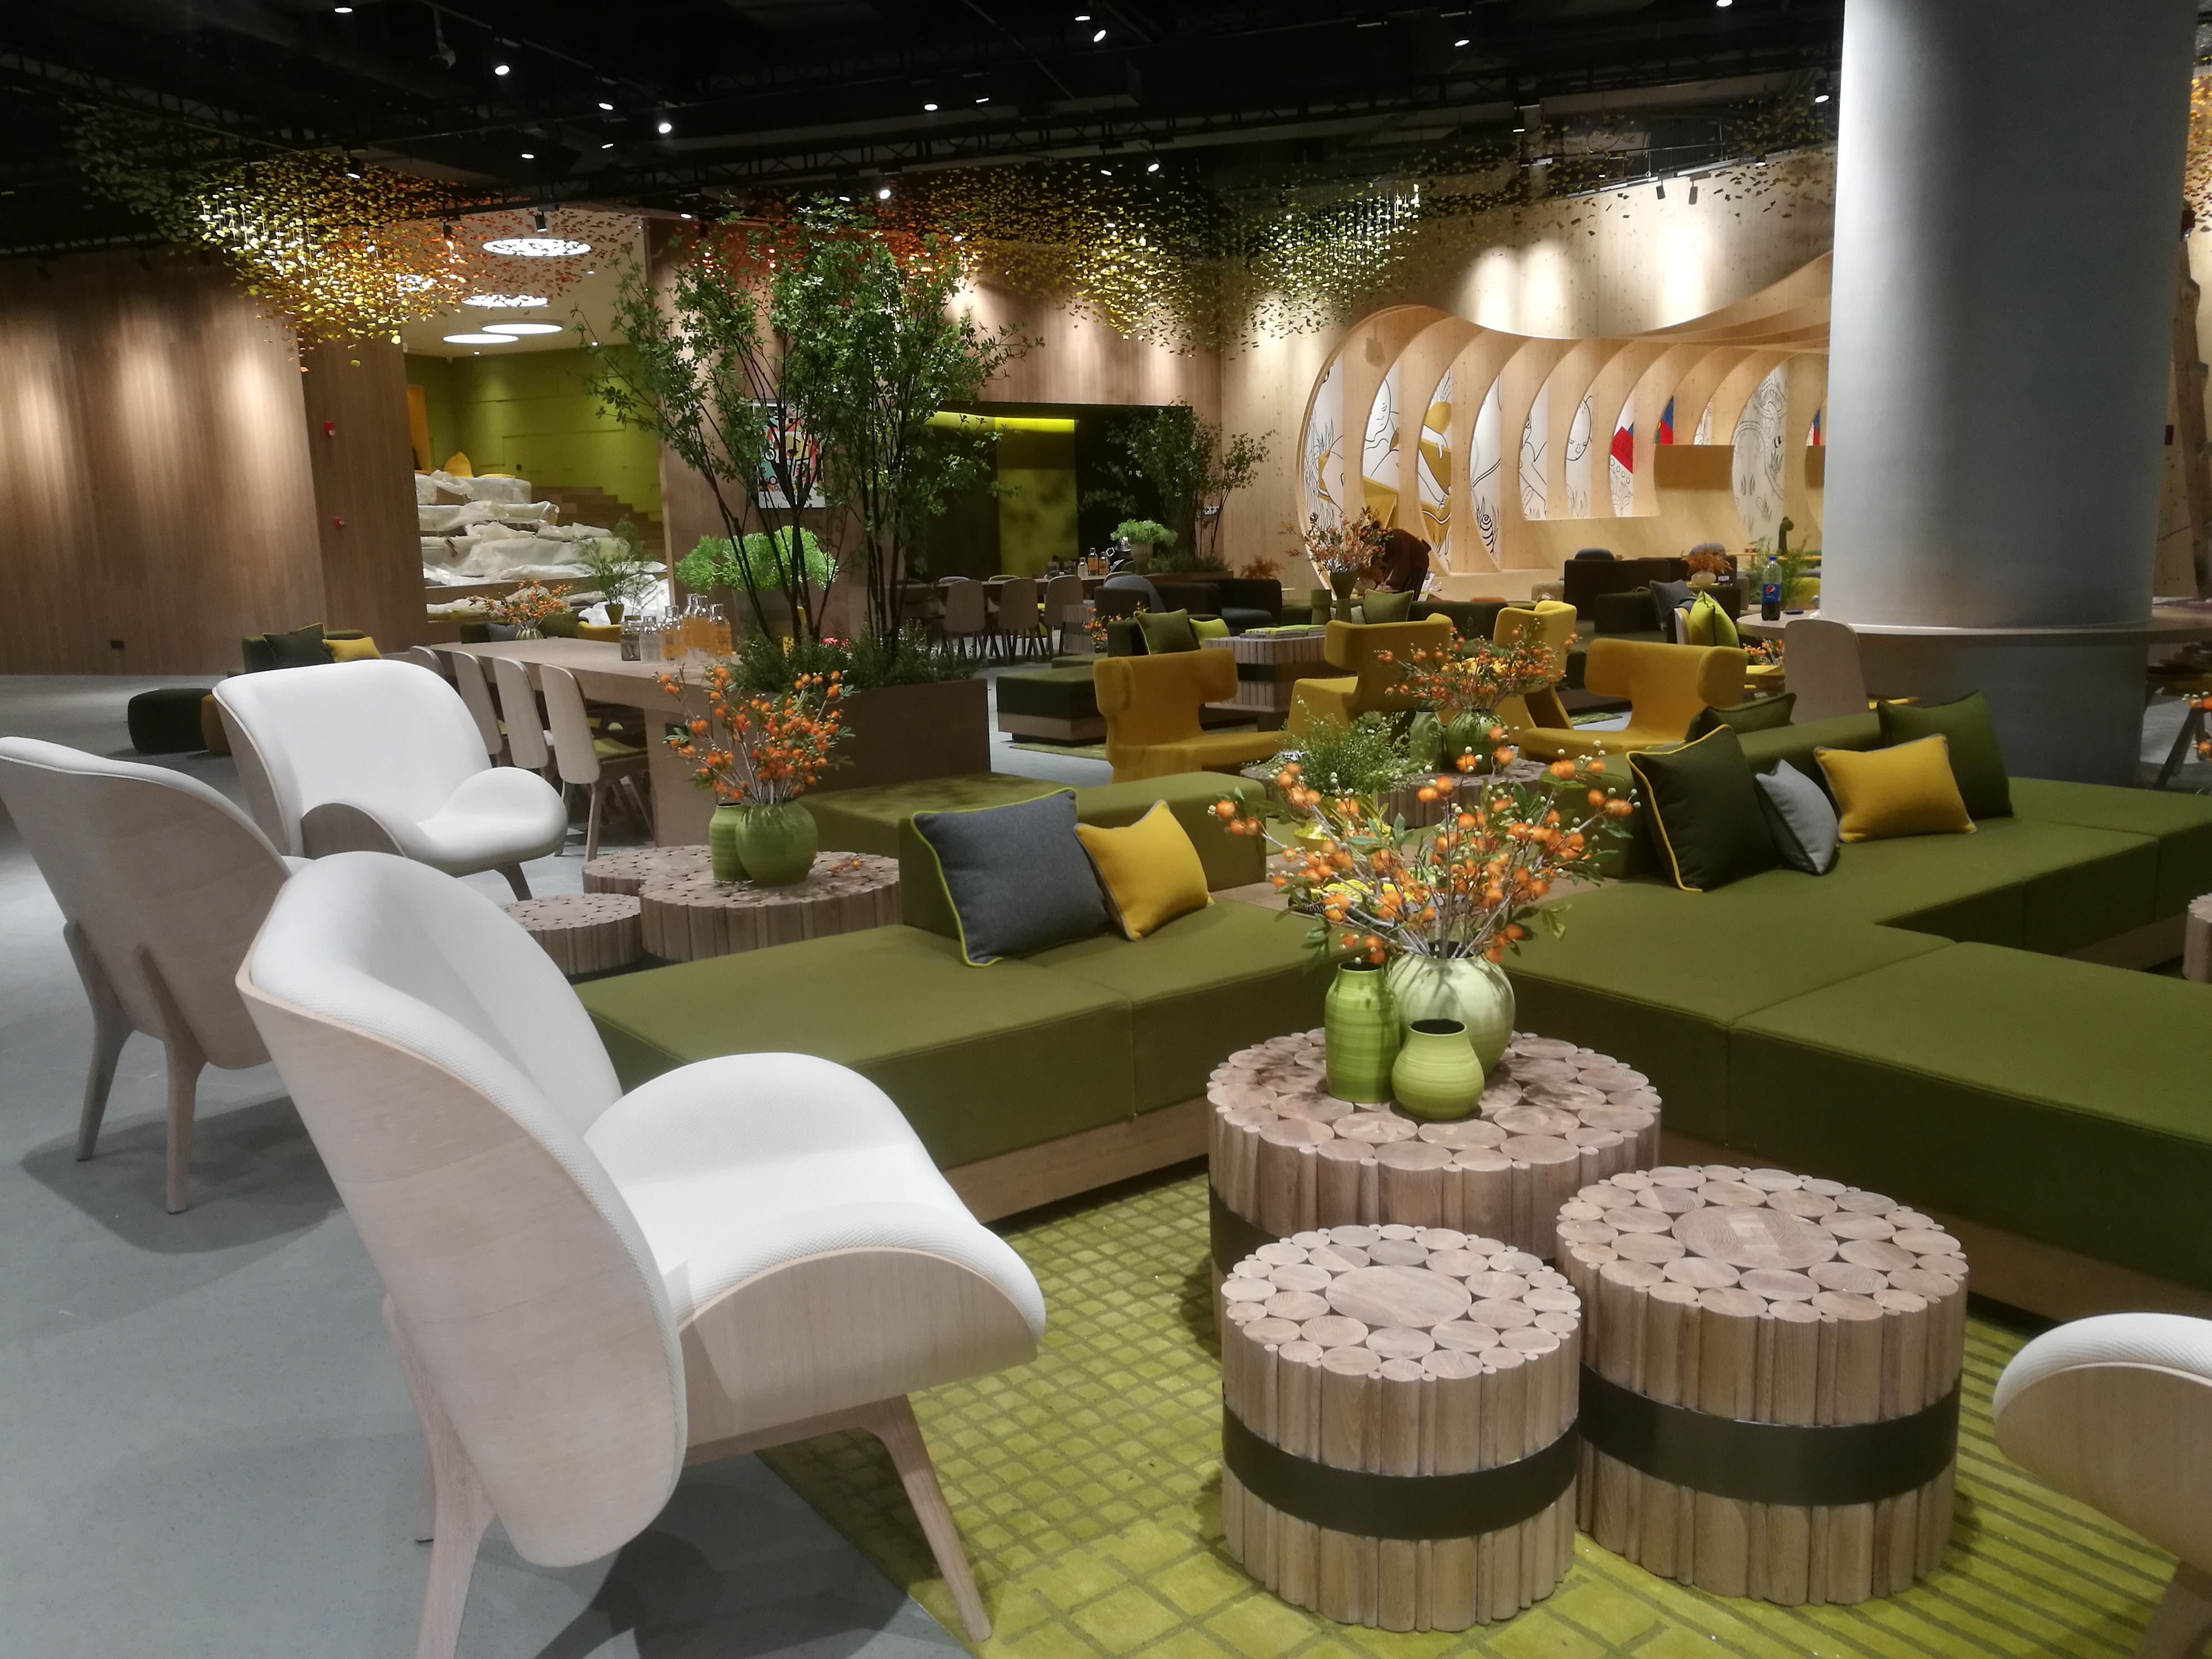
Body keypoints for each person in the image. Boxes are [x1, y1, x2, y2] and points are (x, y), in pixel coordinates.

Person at [1370, 526, 1432, 594]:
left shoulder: (1396, 539)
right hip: (1412, 560)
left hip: (1418, 563)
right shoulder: (1386, 543)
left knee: (1408, 593)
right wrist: (1376, 582)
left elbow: (1403, 561)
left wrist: (1394, 584)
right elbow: (1382, 563)